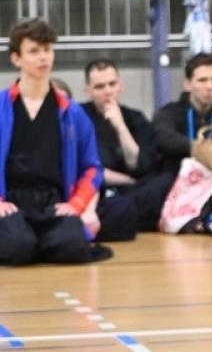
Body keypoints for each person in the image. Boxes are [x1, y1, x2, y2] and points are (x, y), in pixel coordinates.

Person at [0, 20, 108, 266]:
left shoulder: (73, 113)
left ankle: (35, 241)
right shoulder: (1, 106)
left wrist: (77, 204)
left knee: (71, 247)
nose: (43, 57)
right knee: (19, 248)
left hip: (53, 203)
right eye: (34, 51)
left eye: (47, 50)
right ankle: (27, 241)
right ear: (16, 59)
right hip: (10, 203)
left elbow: (92, 168)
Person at [81, 59, 169, 241]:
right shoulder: (79, 116)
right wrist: (127, 179)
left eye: (112, 84)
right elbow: (84, 168)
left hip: (132, 191)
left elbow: (140, 164)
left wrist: (120, 126)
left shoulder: (135, 118)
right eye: (99, 86)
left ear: (120, 85)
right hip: (96, 192)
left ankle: (123, 218)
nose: (108, 91)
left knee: (165, 179)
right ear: (88, 91)